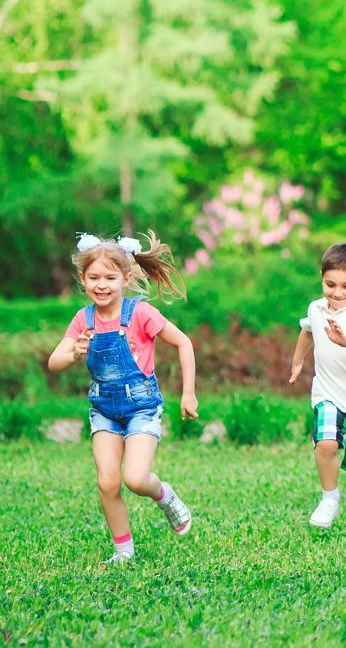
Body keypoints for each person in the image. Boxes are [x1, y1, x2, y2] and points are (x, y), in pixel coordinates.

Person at [48, 231, 197, 565]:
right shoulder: (82, 320)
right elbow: (53, 362)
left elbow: (183, 343)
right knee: (107, 481)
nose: (102, 285)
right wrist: (73, 353)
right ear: (83, 279)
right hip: (104, 410)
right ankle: (123, 552)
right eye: (94, 277)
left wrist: (188, 392)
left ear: (126, 278)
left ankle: (165, 495)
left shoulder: (140, 314)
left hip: (142, 408)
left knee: (135, 478)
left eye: (110, 278)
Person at [289, 243, 346, 537]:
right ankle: (329, 497)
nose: (337, 292)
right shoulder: (315, 308)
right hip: (327, 393)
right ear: (321, 277)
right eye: (330, 284)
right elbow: (307, 331)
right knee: (326, 443)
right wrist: (297, 362)